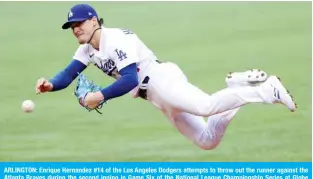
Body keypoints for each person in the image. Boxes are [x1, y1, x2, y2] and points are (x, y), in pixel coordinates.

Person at [35, 4, 297, 150]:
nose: (75, 28)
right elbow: (69, 74)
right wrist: (50, 85)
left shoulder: (116, 39)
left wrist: (99, 96)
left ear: (94, 21)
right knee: (207, 141)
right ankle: (237, 85)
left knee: (206, 105)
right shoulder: (87, 49)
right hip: (156, 98)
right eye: (71, 26)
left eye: (79, 23)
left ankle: (267, 90)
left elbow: (130, 80)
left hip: (161, 80)